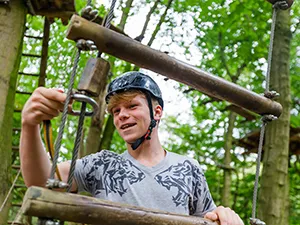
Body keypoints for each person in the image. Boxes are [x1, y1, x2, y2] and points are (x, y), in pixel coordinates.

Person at [20, 71, 244, 225]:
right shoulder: (102, 164)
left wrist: (225, 216)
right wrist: (30, 126)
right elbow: (43, 183)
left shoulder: (187, 168)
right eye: (115, 111)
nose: (121, 115)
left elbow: (208, 219)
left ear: (157, 112)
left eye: (132, 105)